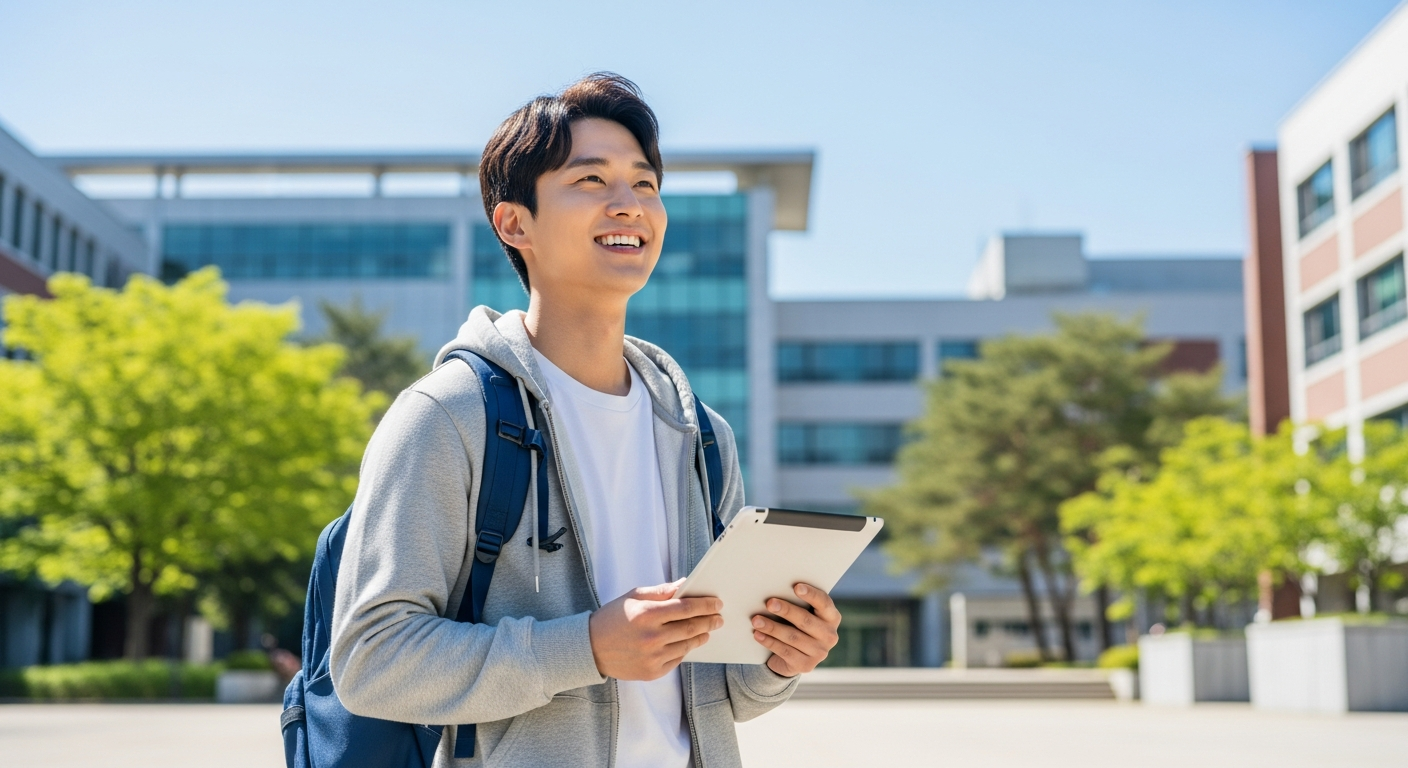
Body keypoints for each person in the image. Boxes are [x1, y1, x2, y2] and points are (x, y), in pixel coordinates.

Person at [329, 72, 840, 767]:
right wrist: (589, 647)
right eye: (592, 182)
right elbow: (372, 660)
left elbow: (725, 695)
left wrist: (782, 658)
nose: (629, 205)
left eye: (645, 185)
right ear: (515, 223)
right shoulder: (449, 416)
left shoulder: (701, 437)